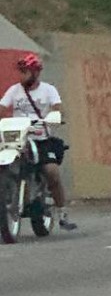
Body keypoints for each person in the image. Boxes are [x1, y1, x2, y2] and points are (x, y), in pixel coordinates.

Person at [0, 54, 76, 230]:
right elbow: (3, 107)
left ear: (35, 73)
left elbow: (57, 109)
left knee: (51, 171)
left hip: (41, 138)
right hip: (18, 138)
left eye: (25, 71)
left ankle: (62, 212)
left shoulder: (48, 90)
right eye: (21, 72)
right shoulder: (14, 90)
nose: (22, 75)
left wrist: (54, 117)